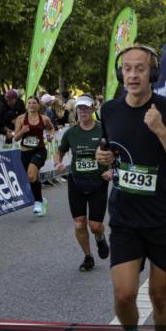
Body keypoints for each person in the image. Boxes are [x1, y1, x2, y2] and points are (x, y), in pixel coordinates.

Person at [94, 45, 166, 331]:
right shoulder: (109, 110)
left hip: (164, 218)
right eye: (127, 69)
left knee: (159, 295)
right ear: (120, 73)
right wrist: (103, 158)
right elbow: (110, 151)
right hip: (124, 217)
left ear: (153, 74)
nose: (133, 75)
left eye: (140, 69)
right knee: (123, 295)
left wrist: (161, 130)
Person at [55, 95, 111, 271]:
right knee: (79, 222)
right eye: (80, 108)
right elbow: (60, 152)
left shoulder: (103, 130)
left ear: (93, 110)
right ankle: (88, 256)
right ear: (76, 111)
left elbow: (117, 152)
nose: (82, 111)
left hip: (98, 181)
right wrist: (58, 163)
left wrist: (112, 170)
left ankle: (100, 238)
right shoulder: (71, 133)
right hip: (76, 181)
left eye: (86, 108)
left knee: (95, 226)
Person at [14, 96, 55, 217]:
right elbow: (16, 138)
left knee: (31, 175)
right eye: (30, 103)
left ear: (38, 105)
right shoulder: (21, 119)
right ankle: (42, 201)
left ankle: (37, 202)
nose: (31, 105)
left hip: (39, 151)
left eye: (34, 103)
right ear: (27, 105)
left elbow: (51, 128)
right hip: (25, 152)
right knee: (32, 178)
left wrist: (50, 136)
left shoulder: (44, 119)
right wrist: (22, 131)